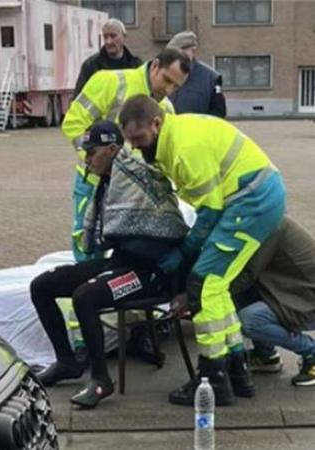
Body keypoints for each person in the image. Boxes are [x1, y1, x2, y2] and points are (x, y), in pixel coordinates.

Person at [118, 94, 286, 406]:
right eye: (130, 142)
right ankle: (237, 372)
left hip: (252, 201)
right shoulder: (171, 140)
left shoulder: (185, 148)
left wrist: (184, 253)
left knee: (204, 284)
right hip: (252, 197)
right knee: (217, 287)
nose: (136, 147)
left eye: (139, 139)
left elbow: (209, 211)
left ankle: (212, 379)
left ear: (156, 123)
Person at [30, 121, 188, 408]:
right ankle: (67, 362)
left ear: (113, 149)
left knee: (85, 296)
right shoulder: (107, 181)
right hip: (121, 263)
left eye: (92, 153)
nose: (87, 160)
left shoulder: (139, 176)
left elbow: (171, 225)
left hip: (151, 272)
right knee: (42, 285)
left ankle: (101, 380)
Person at [62, 48, 189, 262]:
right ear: (155, 65)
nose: (168, 89)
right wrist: (94, 156)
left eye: (176, 86)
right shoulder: (110, 82)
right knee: (87, 239)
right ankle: (84, 283)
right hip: (94, 182)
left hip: (134, 192)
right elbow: (74, 123)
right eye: (167, 80)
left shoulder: (166, 109)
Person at [230, 216, 315, 386]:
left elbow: (248, 273)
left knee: (251, 321)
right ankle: (265, 355)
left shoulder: (268, 228)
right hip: (289, 291)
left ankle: (310, 352)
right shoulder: (265, 218)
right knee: (237, 293)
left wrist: (202, 294)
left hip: (305, 298)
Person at [73, 18, 142, 97]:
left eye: (113, 36)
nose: (108, 41)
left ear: (124, 37)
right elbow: (78, 98)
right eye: (105, 37)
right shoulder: (90, 66)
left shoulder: (136, 66)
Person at [167, 31, 226, 117]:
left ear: (193, 51)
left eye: (179, 52)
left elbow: (219, 112)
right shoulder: (165, 73)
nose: (175, 56)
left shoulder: (211, 78)